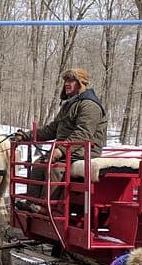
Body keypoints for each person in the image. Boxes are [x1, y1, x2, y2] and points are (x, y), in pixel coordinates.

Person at [12, 68, 107, 208]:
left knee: (55, 168)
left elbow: (83, 133)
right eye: (66, 81)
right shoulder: (70, 104)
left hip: (86, 150)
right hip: (69, 149)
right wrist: (26, 136)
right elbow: (52, 129)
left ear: (82, 83)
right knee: (39, 165)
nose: (67, 84)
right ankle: (32, 203)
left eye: (72, 81)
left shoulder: (89, 105)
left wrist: (60, 150)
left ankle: (47, 207)